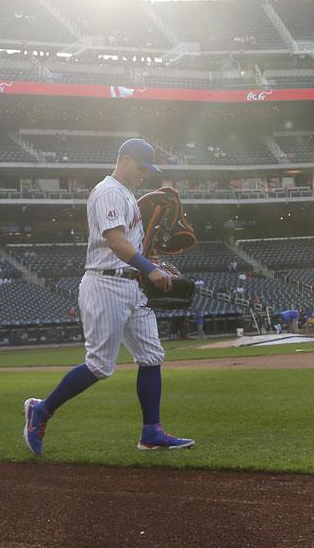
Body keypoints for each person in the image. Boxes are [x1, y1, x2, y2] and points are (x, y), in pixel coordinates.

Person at [23, 138, 193, 456]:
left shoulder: (126, 194)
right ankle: (41, 410)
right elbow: (115, 242)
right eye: (142, 167)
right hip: (105, 285)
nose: (145, 174)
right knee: (100, 365)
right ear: (125, 159)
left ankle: (151, 433)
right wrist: (149, 268)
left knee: (152, 356)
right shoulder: (109, 191)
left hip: (130, 285)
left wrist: (153, 265)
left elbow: (129, 245)